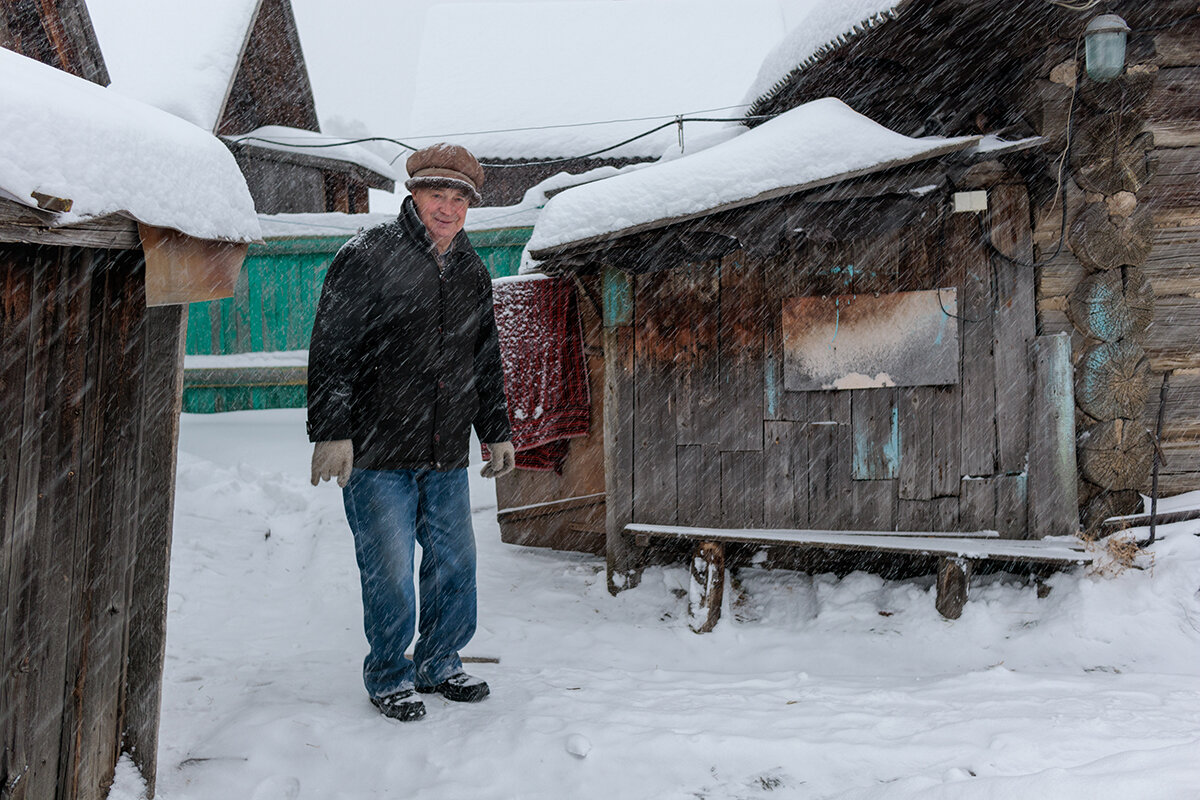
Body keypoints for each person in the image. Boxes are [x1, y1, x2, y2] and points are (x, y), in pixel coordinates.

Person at [307, 143, 515, 722]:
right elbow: (332, 349)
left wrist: (496, 430)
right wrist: (332, 431)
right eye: (436, 195)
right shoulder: (368, 256)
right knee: (392, 573)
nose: (447, 209)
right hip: (377, 454)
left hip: (444, 452)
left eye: (458, 199)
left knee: (455, 565)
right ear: (414, 195)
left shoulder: (472, 269)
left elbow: (485, 358)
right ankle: (390, 674)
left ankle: (439, 661)